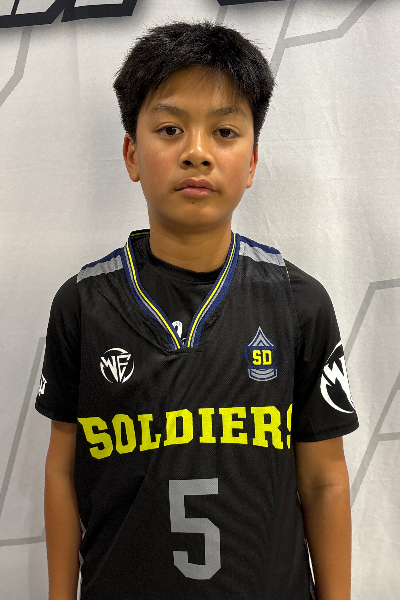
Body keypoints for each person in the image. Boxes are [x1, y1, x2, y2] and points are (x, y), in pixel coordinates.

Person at [36, 19, 359, 600]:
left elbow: (325, 480)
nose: (197, 152)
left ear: (252, 161)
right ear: (132, 154)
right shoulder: (83, 304)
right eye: (170, 129)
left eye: (224, 131)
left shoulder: (298, 302)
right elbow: (62, 469)